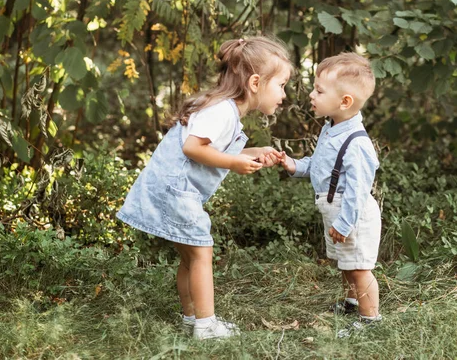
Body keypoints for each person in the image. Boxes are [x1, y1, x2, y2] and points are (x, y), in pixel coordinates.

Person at [117, 36, 291, 340]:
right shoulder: (222, 111)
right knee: (202, 254)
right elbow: (193, 148)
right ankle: (206, 325)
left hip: (174, 188)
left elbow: (215, 152)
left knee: (190, 257)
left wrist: (254, 153)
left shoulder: (226, 111)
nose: (284, 94)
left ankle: (192, 317)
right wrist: (234, 164)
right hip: (176, 189)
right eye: (281, 85)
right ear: (255, 82)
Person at [279, 52, 382, 338]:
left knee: (360, 267)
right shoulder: (330, 128)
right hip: (334, 209)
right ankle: (351, 302)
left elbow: (358, 191)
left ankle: (370, 318)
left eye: (319, 90)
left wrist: (345, 223)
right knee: (345, 263)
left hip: (353, 214)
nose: (311, 94)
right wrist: (293, 165)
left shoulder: (357, 142)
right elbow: (319, 165)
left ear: (344, 101)